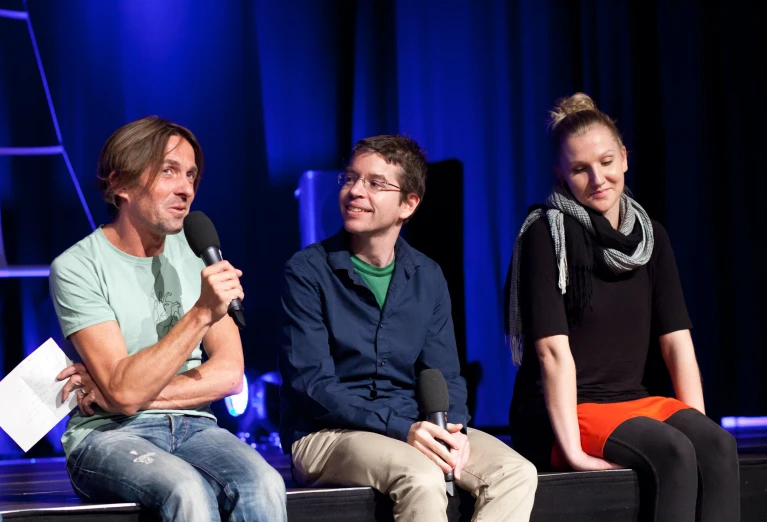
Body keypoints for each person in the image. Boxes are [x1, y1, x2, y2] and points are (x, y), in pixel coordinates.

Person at [506, 93, 739, 521]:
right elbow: (551, 352)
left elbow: (677, 343)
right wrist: (573, 450)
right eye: (580, 169)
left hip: (633, 401)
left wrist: (699, 427)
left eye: (607, 161)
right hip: (570, 409)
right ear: (561, 172)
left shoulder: (652, 237)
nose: (598, 178)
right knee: (671, 452)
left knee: (718, 445)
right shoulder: (545, 233)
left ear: (625, 158)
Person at [279, 135, 537, 521]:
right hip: (327, 433)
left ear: (408, 204)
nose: (354, 191)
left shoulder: (427, 276)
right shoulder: (306, 271)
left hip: (410, 424)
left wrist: (455, 430)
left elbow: (446, 375)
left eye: (375, 183)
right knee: (421, 476)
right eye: (351, 178)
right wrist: (402, 428)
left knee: (515, 472)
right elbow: (311, 386)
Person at [49, 116, 286, 522]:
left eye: (191, 175)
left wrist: (124, 392)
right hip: (109, 434)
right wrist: (200, 313)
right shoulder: (77, 266)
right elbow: (123, 397)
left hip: (196, 427)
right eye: (168, 171)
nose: (186, 188)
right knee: (186, 489)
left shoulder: (196, 251)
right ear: (119, 184)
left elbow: (229, 375)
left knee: (265, 482)